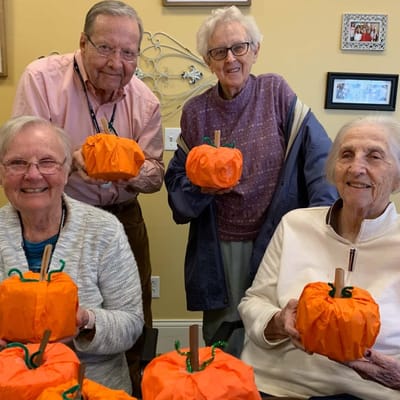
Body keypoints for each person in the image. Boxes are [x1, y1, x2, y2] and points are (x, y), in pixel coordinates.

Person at [164, 5, 337, 358]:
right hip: (219, 244)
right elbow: (177, 179)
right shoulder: (196, 112)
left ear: (255, 50)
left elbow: (319, 156)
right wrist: (201, 187)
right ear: (208, 61)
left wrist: (323, 226)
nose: (230, 59)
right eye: (218, 52)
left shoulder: (275, 92)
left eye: (239, 47)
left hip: (275, 239)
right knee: (222, 333)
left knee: (272, 325)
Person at [12, 0, 164, 391]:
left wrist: (133, 172)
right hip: (53, 214)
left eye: (128, 52)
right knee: (35, 310)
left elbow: (156, 174)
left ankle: (125, 384)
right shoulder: (43, 79)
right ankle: (34, 383)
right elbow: (28, 158)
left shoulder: (145, 101)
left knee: (134, 315)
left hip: (122, 213)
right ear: (82, 42)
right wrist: (69, 161)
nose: (117, 62)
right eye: (105, 48)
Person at [238, 115, 400, 399]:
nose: (356, 167)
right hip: (276, 386)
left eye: (374, 156)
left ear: (398, 178)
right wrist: (277, 322)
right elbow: (254, 301)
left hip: (369, 393)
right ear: (333, 169)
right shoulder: (295, 224)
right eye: (346, 155)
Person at [0, 115, 144, 394]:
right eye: (17, 163)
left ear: (67, 171)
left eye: (47, 162)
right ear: (2, 172)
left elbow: (131, 324)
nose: (32, 174)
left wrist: (85, 320)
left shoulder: (103, 230)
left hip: (90, 386)